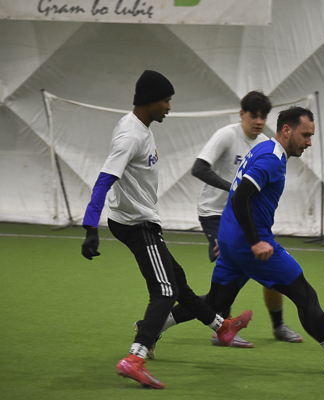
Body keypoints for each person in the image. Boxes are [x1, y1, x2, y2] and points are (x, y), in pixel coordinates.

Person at [159, 106, 324, 374]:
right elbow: (240, 197)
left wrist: (234, 240)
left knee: (216, 302)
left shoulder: (263, 149)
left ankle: (152, 327)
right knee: (305, 294)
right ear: (286, 130)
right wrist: (255, 241)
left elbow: (240, 196)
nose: (309, 142)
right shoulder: (271, 158)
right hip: (249, 244)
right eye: (306, 135)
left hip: (231, 239)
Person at [80, 70, 252, 389]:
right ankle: (134, 358)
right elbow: (104, 181)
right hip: (137, 224)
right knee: (164, 291)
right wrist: (90, 227)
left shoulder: (139, 127)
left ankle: (222, 327)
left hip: (139, 220)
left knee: (178, 281)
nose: (169, 107)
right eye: (166, 101)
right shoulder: (131, 135)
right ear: (150, 101)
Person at [191, 91, 302, 348]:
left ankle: (278, 325)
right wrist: (234, 188)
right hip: (215, 213)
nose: (259, 121)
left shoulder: (265, 143)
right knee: (230, 269)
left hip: (244, 216)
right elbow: (199, 168)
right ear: (242, 114)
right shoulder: (226, 135)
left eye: (263, 116)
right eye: (253, 116)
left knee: (268, 264)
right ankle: (221, 328)